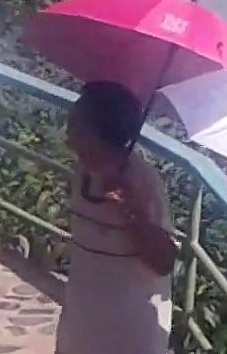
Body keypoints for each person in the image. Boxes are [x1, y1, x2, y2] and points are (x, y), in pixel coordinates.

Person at [54, 80, 178, 354]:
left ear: (102, 134)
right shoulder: (83, 173)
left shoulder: (142, 181)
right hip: (82, 324)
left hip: (129, 333)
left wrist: (131, 209)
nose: (68, 134)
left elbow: (164, 260)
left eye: (77, 127)